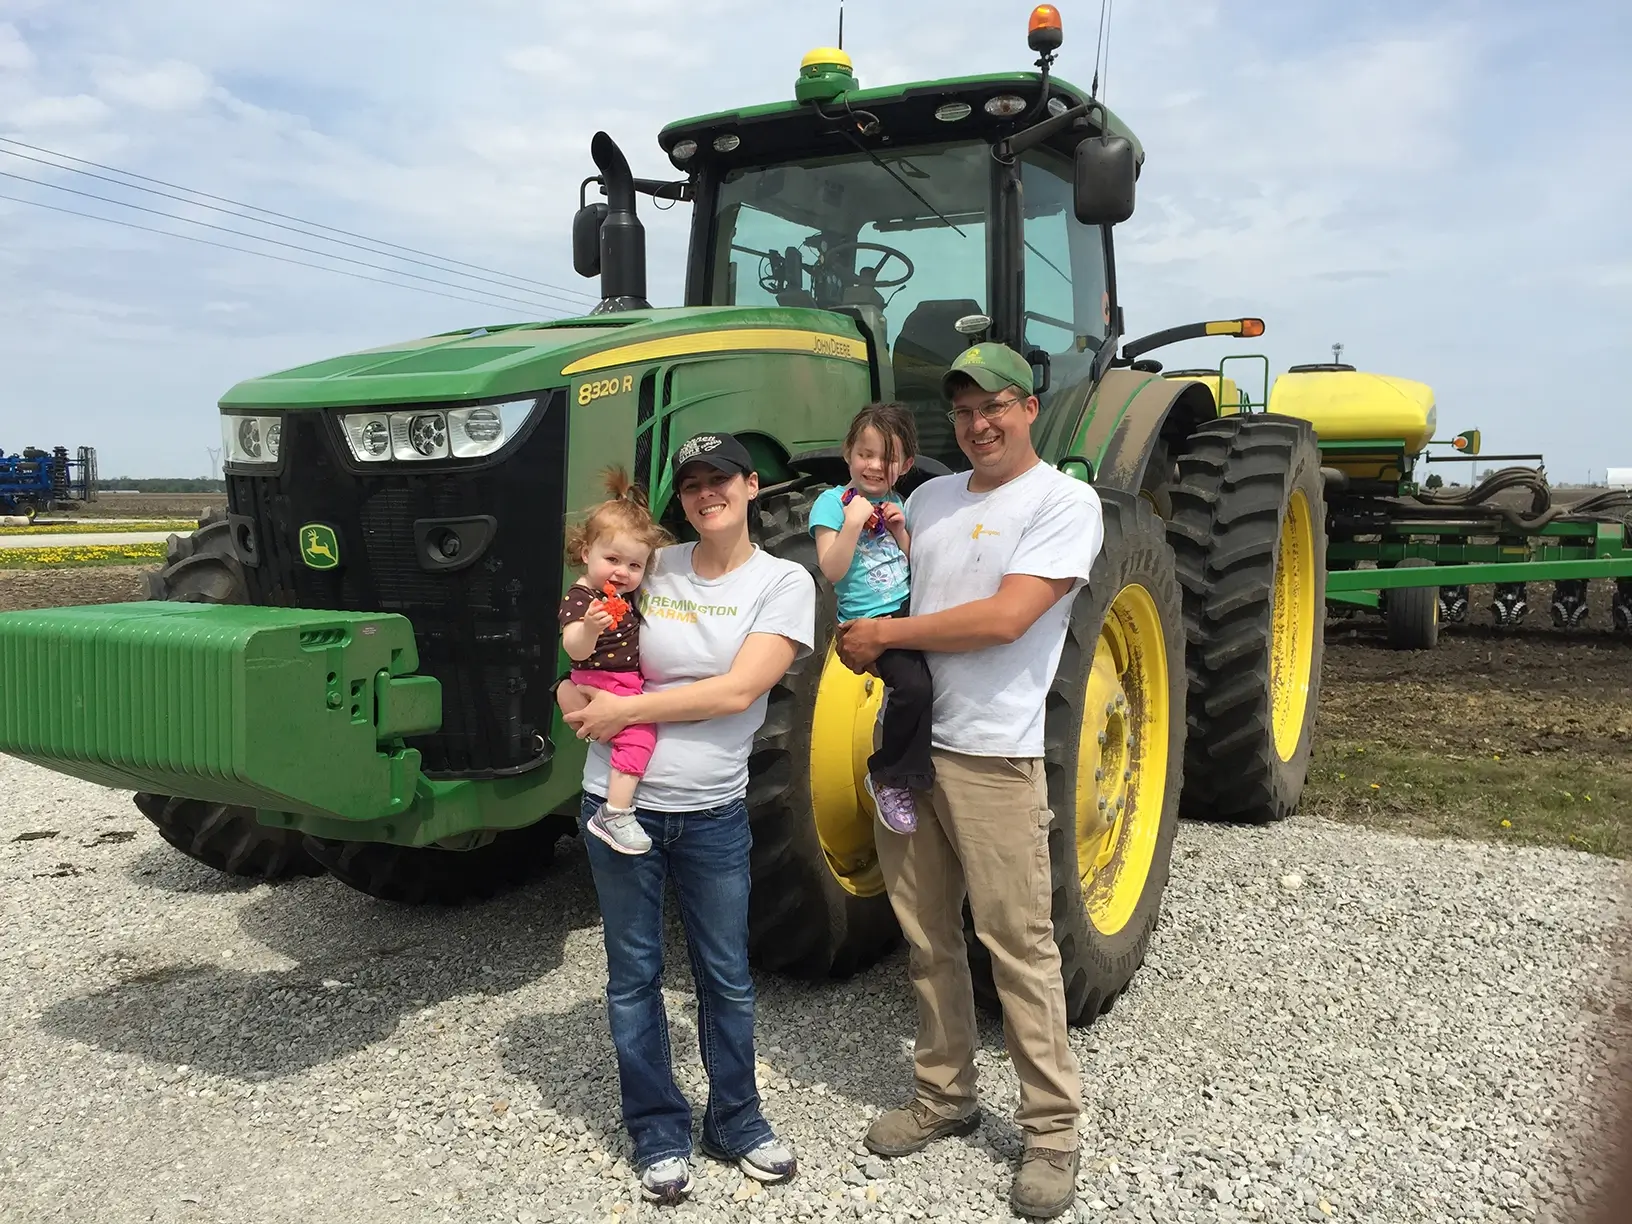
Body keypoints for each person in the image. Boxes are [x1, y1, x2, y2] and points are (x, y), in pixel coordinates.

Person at [836, 342, 1105, 1221]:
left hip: (994, 755)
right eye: (961, 411)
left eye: (995, 405)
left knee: (1018, 945)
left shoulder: (1066, 503)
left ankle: (1052, 1129)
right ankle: (945, 1096)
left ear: (1030, 408)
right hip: (910, 746)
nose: (978, 423)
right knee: (925, 938)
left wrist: (887, 641)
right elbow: (878, 587)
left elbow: (1006, 619)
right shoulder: (927, 497)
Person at [560, 432, 816, 1206]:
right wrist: (572, 692)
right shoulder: (653, 562)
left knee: (727, 976)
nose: (708, 493)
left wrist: (626, 708)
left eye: (721, 480)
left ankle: (735, 1120)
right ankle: (658, 1132)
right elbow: (584, 629)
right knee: (633, 977)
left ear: (751, 485)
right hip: (617, 805)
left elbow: (739, 692)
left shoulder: (783, 582)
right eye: (693, 482)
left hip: (710, 814)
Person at [808, 402, 933, 833]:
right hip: (867, 619)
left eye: (888, 457)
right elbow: (832, 570)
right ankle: (889, 776)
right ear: (848, 453)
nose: (875, 465)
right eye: (866, 453)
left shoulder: (901, 503)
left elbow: (919, 566)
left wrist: (901, 532)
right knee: (914, 685)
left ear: (907, 464)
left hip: (906, 610)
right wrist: (852, 526)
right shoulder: (831, 504)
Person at [556, 466, 673, 854]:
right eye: (613, 559)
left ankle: (569, 698)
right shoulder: (582, 597)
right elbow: (574, 647)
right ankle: (616, 811)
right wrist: (589, 628)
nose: (622, 572)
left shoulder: (621, 595)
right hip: (607, 679)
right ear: (587, 553)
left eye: (635, 566)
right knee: (640, 736)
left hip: (618, 679)